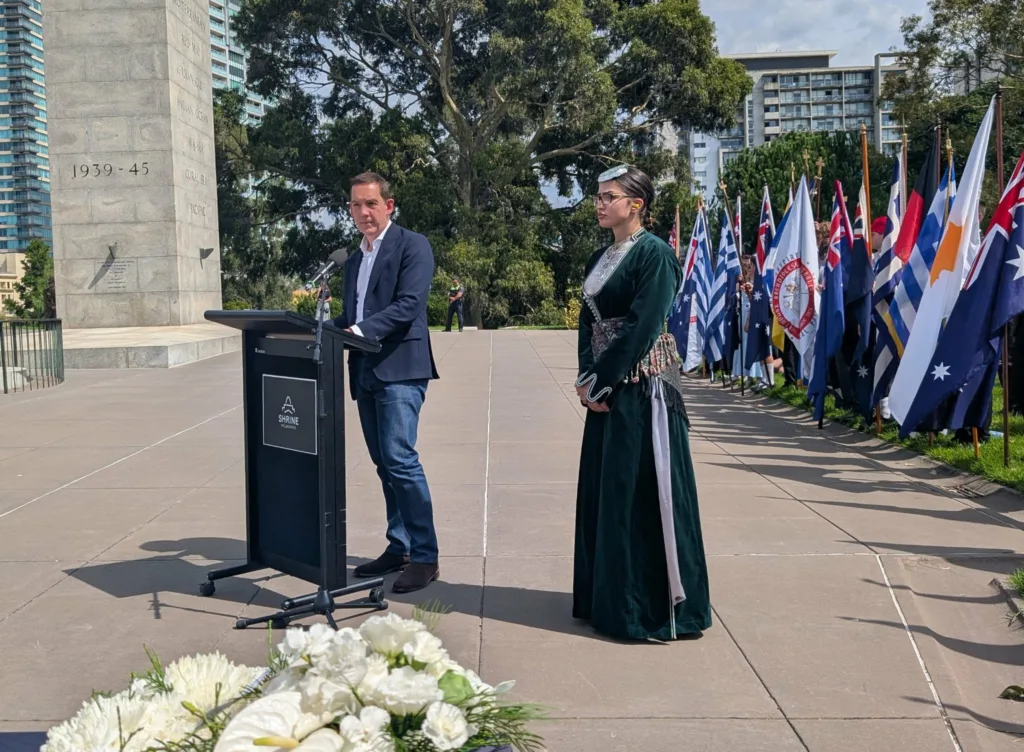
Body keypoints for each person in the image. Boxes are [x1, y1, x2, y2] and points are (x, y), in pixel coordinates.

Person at [573, 164, 711, 642]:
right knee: (608, 492)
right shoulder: (599, 257)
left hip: (643, 388)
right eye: (597, 196)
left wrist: (602, 381)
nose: (599, 204)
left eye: (608, 196)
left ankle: (649, 608)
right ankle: (609, 600)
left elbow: (643, 326)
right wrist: (586, 378)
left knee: (641, 493)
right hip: (607, 388)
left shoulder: (656, 255)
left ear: (636, 204)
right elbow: (588, 325)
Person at [334, 171, 441, 594]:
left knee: (400, 459)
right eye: (355, 205)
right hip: (364, 369)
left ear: (389, 205)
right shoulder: (353, 260)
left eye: (371, 203)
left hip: (400, 368)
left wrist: (357, 332)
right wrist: (316, 330)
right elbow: (351, 316)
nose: (363, 212)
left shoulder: (412, 245)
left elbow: (409, 304)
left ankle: (426, 556)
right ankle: (400, 546)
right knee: (384, 464)